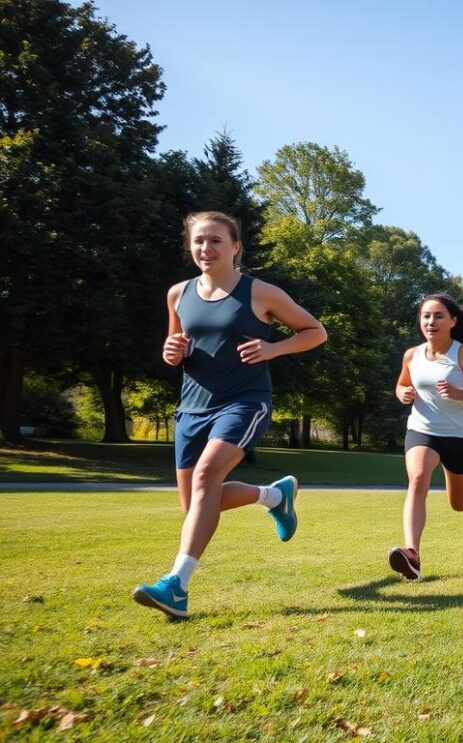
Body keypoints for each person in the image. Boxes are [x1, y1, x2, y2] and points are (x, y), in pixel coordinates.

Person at [131, 211, 327, 618]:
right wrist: (171, 353)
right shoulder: (177, 294)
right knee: (198, 504)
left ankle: (176, 586)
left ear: (235, 246)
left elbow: (315, 331)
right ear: (190, 246)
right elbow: (175, 343)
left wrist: (273, 349)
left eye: (216, 240)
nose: (207, 248)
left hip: (244, 401)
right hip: (191, 407)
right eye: (199, 240)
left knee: (206, 479)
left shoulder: (260, 293)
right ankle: (274, 496)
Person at [388, 294, 463, 581]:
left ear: (453, 321)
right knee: (417, 479)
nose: (431, 321)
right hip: (422, 430)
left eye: (439, 316)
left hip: (459, 436)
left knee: (460, 502)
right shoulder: (412, 355)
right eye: (426, 316)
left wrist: (462, 394)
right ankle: (413, 554)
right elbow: (402, 383)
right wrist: (402, 393)